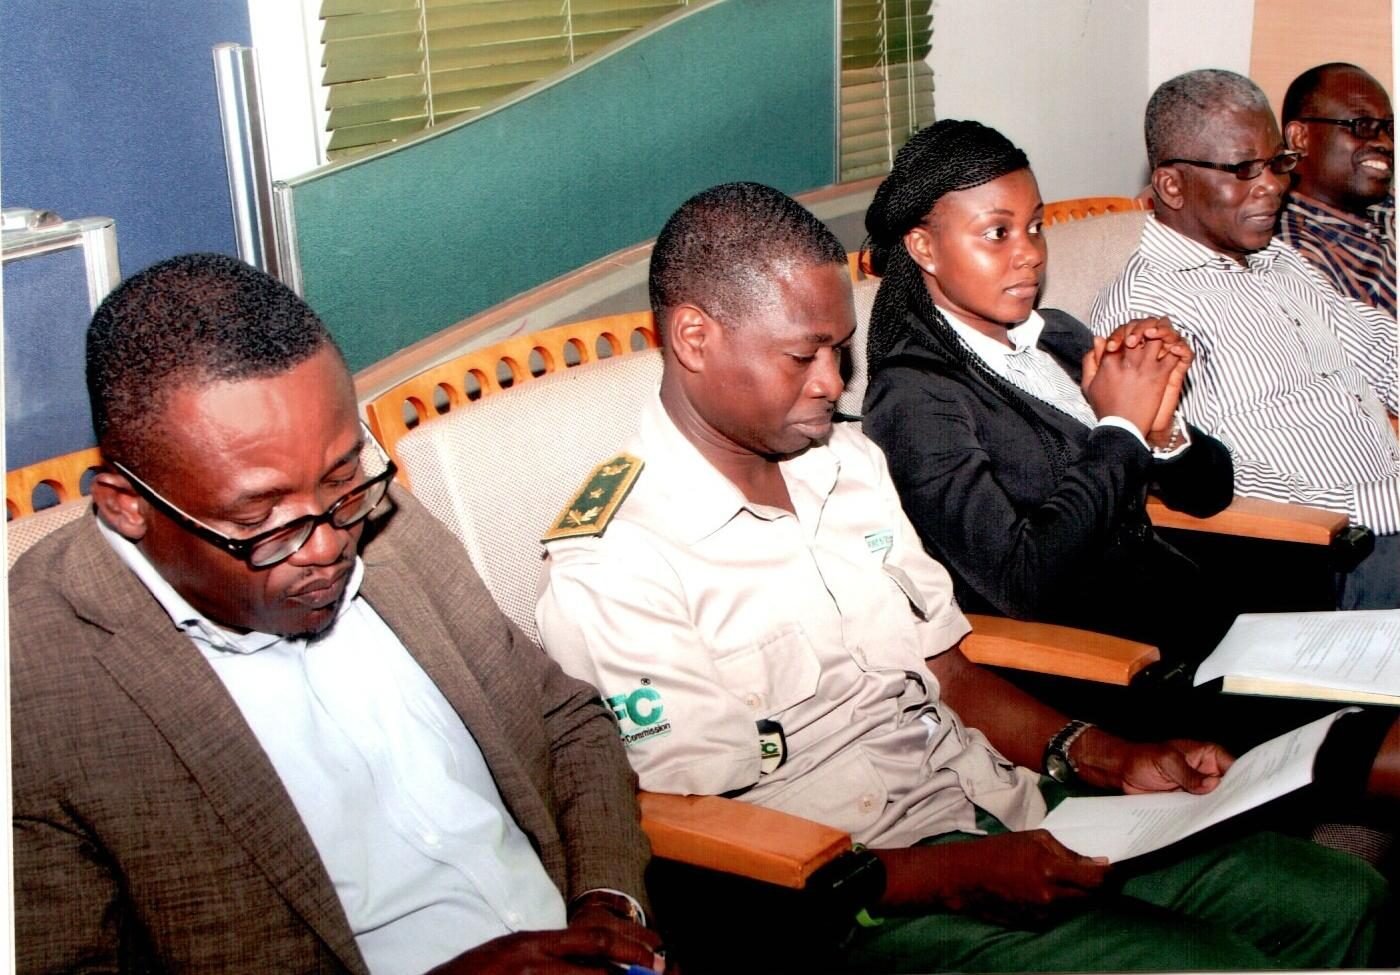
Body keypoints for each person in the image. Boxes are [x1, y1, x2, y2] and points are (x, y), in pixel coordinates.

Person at [536, 181, 1389, 972]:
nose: (833, 383)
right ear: (695, 338)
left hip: (994, 800)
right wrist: (952, 877)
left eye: (840, 350)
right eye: (803, 356)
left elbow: (946, 669)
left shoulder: (846, 463)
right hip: (857, 896)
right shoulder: (619, 558)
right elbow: (701, 833)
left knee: (1341, 899)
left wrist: (1104, 755)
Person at [10, 254, 662, 975]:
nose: (327, 544)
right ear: (126, 506)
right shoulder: (33, 691)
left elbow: (565, 721)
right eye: (258, 519)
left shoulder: (373, 517)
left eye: (343, 476)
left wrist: (607, 911)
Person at [859, 118, 1236, 708]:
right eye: (997, 233)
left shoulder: (1056, 335)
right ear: (924, 247)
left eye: (1034, 226)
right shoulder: (915, 400)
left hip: (1193, 626)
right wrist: (1121, 429)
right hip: (1102, 676)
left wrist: (1160, 426)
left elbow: (1211, 492)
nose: (1030, 254)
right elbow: (1023, 582)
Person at [1092, 68, 1400, 610]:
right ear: (1172, 185)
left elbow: (1379, 349)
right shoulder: (1148, 313)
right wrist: (1376, 505)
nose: (1274, 185)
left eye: (1278, 163)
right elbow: (1211, 478)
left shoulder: (1279, 262)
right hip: (1325, 557)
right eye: (1243, 170)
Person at [1279, 62, 1395, 317]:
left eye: (1390, 129)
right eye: (1362, 125)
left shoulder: (1386, 206)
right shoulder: (1297, 258)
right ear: (1300, 138)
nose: (1386, 143)